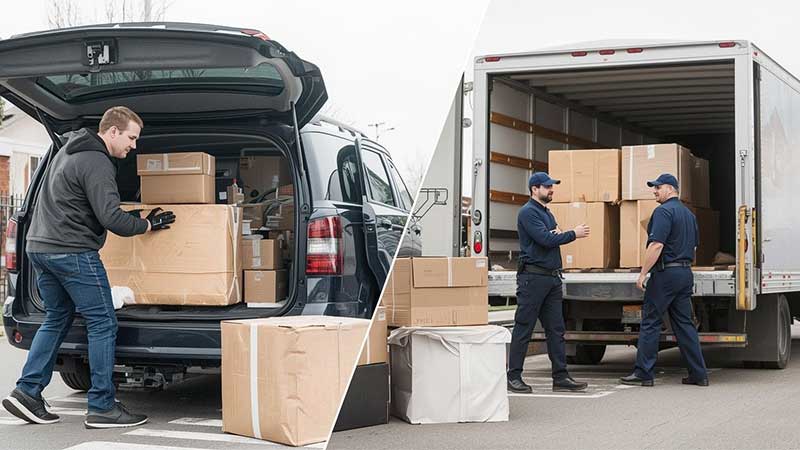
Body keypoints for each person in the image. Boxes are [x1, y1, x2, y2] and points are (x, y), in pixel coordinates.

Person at [2, 106, 176, 428]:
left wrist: (135, 219)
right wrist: (147, 225)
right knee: (103, 322)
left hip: (40, 249)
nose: (134, 145)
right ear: (113, 131)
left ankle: (27, 392)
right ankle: (101, 406)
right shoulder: (97, 161)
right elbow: (112, 218)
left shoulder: (67, 151)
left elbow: (84, 208)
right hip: (72, 252)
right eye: (131, 137)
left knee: (56, 317)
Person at [620, 173, 709, 387]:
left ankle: (643, 373)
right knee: (685, 325)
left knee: (650, 321)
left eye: (657, 188)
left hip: (665, 274)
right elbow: (694, 247)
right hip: (685, 273)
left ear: (669, 189)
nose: (654, 191)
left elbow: (656, 245)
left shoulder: (663, 212)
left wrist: (643, 273)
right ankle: (699, 375)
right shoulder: (689, 215)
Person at [507, 172, 590, 393]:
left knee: (556, 329)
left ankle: (561, 377)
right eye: (547, 187)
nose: (551, 189)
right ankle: (513, 376)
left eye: (551, 186)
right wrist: (573, 233)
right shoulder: (528, 213)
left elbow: (554, 235)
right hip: (533, 279)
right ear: (535, 189)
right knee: (524, 328)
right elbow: (547, 239)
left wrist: (557, 234)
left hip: (552, 277)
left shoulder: (547, 213)